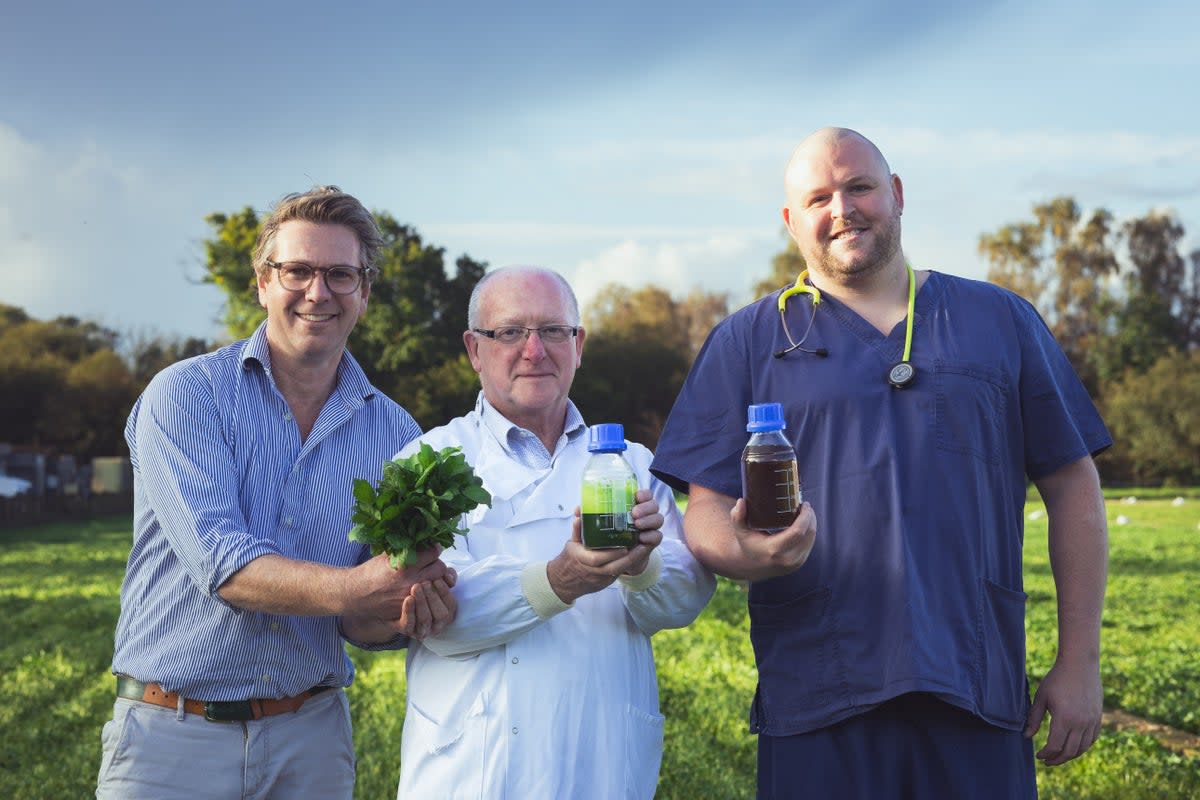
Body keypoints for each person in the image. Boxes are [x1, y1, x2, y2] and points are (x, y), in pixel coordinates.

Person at [650, 128, 1111, 799]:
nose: (842, 208)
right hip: (816, 692)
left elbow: (1073, 484)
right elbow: (706, 511)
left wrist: (1079, 662)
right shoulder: (747, 341)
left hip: (974, 684)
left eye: (859, 186)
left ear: (894, 194)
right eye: (817, 197)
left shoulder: (999, 320)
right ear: (791, 221)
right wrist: (744, 554)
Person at [96, 186, 457, 800]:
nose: (318, 292)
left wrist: (408, 611)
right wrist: (364, 585)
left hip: (311, 741)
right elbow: (224, 564)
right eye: (297, 271)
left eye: (341, 275)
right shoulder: (186, 396)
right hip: (171, 738)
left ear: (364, 294)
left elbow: (365, 621)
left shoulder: (396, 433)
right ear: (263, 283)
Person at [394, 265, 716, 799]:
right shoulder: (426, 463)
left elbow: (682, 603)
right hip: (473, 768)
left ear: (579, 344)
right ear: (474, 349)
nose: (534, 350)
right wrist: (560, 579)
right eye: (510, 332)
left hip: (603, 760)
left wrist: (642, 567)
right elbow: (436, 617)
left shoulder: (632, 463)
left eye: (553, 331)